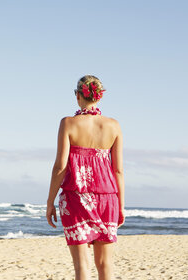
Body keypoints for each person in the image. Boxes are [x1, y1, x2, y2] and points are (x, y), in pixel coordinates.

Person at [46, 75, 125, 280]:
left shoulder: (68, 123)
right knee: (105, 265)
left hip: (76, 197)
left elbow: (60, 166)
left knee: (82, 265)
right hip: (108, 198)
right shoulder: (114, 126)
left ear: (78, 96)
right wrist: (121, 206)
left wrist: (49, 202)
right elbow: (118, 171)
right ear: (99, 97)